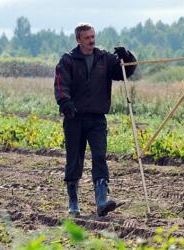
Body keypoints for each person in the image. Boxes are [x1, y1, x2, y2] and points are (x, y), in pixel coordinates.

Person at [54, 23, 136, 216]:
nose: (92, 40)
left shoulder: (105, 59)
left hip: (97, 118)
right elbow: (60, 84)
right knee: (74, 160)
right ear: (78, 40)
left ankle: (101, 200)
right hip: (74, 118)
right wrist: (65, 103)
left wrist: (127, 56)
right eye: (87, 38)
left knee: (99, 157)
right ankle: (73, 202)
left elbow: (126, 72)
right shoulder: (68, 60)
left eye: (93, 36)